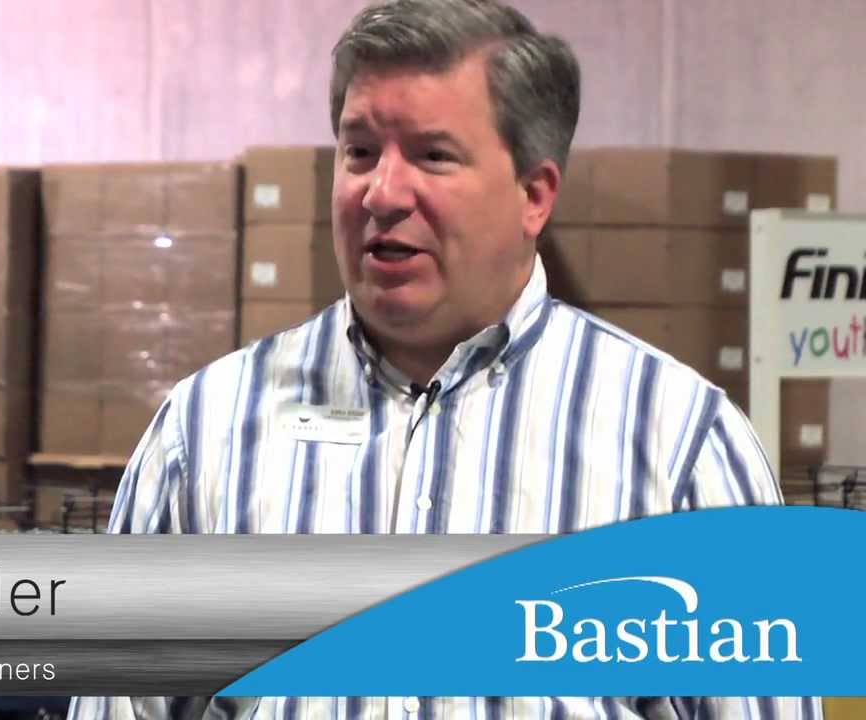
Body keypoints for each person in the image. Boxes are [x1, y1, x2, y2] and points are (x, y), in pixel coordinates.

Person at [71, 0, 820, 717]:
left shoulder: (681, 445)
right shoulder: (204, 432)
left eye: (433, 155)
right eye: (359, 152)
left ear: (535, 194)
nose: (382, 193)